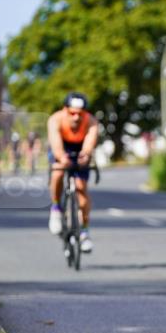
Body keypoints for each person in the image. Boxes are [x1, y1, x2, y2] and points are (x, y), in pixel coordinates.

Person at [47, 93, 99, 252]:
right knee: (57, 173)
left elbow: (89, 144)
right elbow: (56, 144)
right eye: (72, 113)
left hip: (80, 149)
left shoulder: (91, 122)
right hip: (62, 147)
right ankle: (56, 209)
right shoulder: (55, 120)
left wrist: (86, 155)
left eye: (80, 114)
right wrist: (62, 158)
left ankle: (84, 232)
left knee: (81, 188)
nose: (76, 117)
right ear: (65, 110)